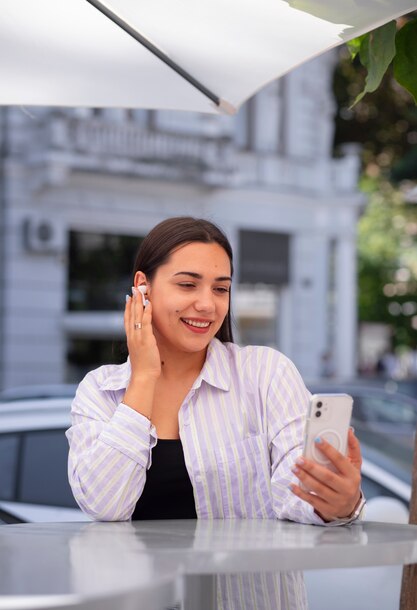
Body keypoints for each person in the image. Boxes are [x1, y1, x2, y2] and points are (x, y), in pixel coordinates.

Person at [66, 217, 364, 610]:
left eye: (220, 288)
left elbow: (294, 495)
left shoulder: (265, 374)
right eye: (187, 284)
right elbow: (105, 505)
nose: (207, 304)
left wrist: (336, 503)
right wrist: (144, 378)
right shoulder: (100, 392)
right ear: (143, 287)